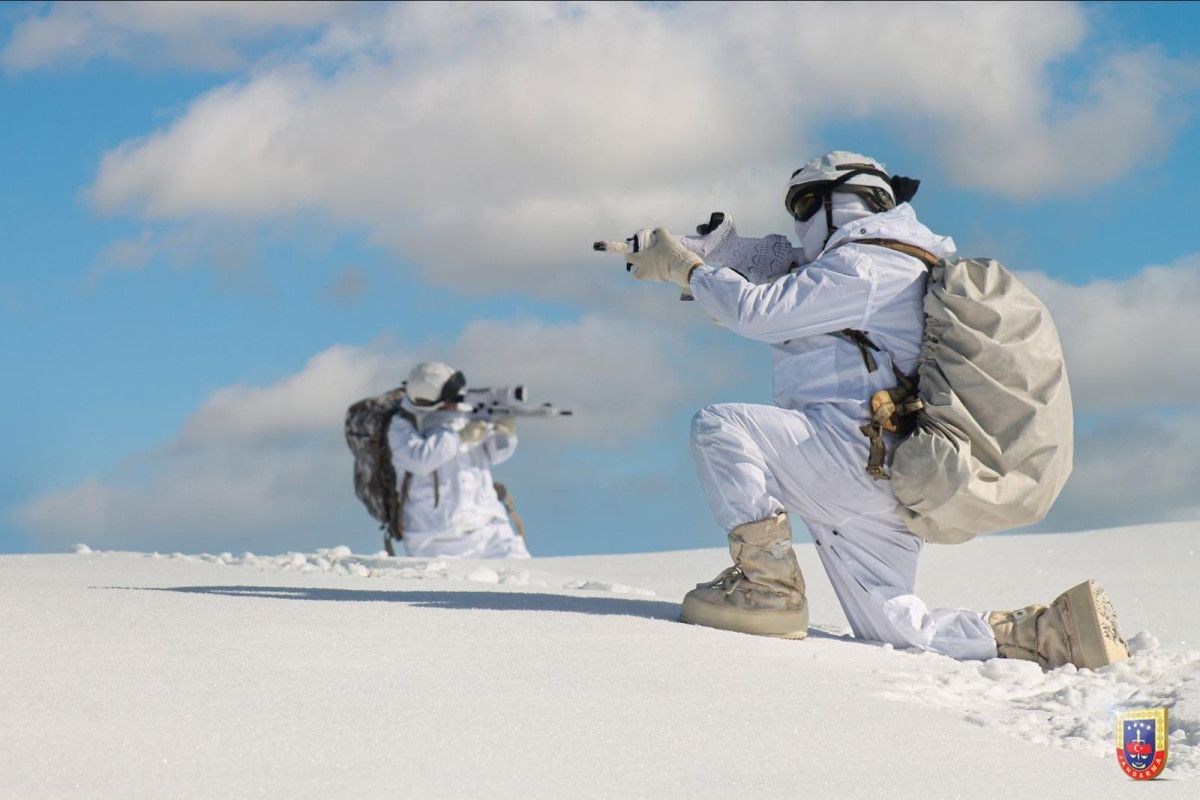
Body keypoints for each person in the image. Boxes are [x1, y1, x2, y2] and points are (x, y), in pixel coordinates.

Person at [603, 151, 1128, 669]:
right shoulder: (898, 263)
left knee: (721, 427)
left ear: (840, 202)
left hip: (844, 454)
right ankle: (1050, 634)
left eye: (804, 205)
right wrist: (733, 256)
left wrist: (690, 271)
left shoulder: (867, 264)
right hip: (884, 476)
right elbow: (802, 301)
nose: (801, 222)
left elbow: (756, 312)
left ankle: (766, 585)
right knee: (895, 626)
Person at [388, 361, 530, 559]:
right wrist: (459, 437)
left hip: (489, 530)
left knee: (527, 574)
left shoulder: (465, 413)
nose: (455, 403)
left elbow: (494, 455)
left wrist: (505, 433)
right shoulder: (403, 425)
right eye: (450, 398)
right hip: (436, 540)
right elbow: (419, 459)